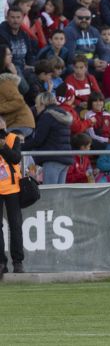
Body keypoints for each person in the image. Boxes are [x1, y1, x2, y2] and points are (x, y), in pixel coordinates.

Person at [22, 92, 73, 184]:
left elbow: (38, 140)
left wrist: (20, 147)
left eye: (37, 104)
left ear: (42, 104)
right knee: (59, 192)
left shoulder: (47, 116)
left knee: (50, 191)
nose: (36, 107)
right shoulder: (61, 115)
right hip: (65, 158)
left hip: (53, 158)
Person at [0, 116, 24, 276]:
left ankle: (18, 262)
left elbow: (16, 158)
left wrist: (3, 147)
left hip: (12, 188)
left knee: (15, 226)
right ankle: (1, 262)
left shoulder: (12, 138)